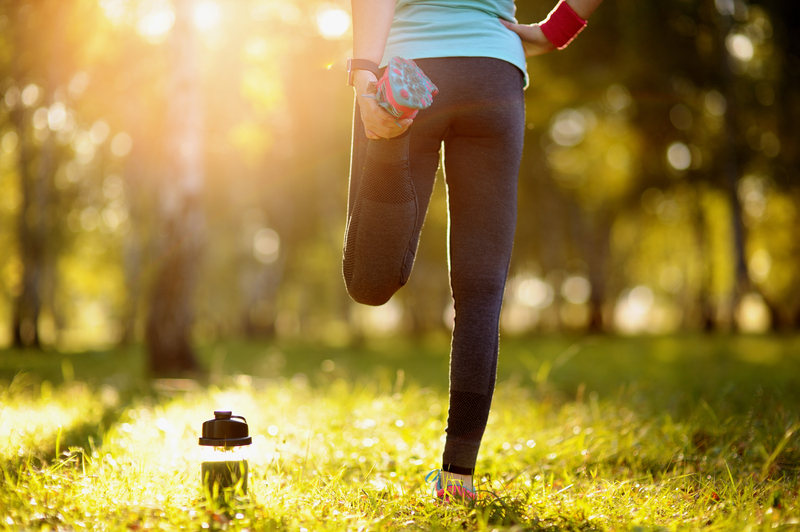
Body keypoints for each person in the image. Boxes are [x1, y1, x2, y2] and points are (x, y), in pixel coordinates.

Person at [343, 0, 604, 501]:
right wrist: (555, 31)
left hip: (406, 67)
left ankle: (391, 129)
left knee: (368, 283)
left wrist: (363, 75)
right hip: (493, 72)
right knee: (482, 290)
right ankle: (457, 477)